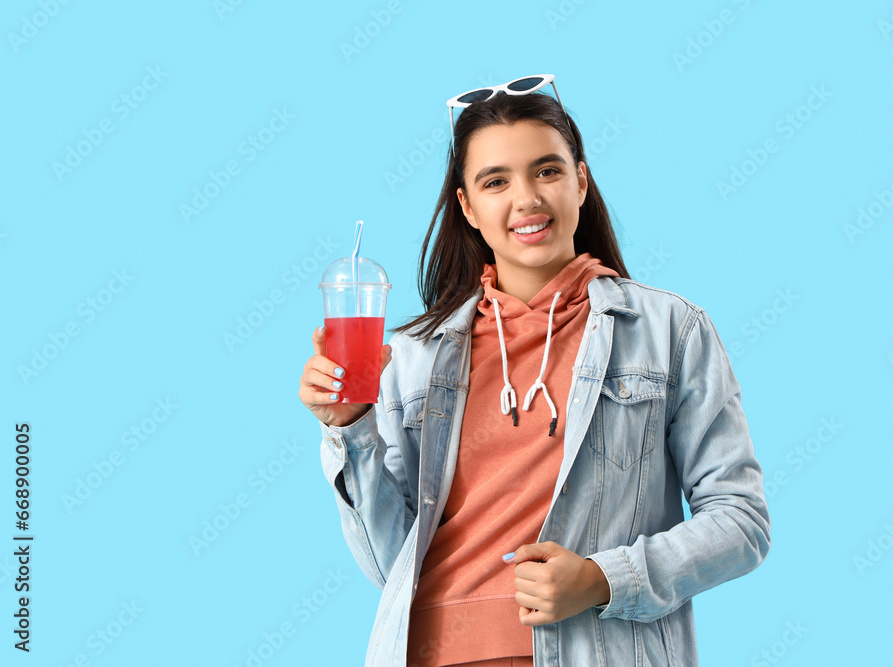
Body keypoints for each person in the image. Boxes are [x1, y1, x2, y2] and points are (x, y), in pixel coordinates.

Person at [299, 74, 771, 667]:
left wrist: (604, 578)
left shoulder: (669, 330)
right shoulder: (412, 355)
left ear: (581, 178)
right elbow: (390, 566)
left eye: (547, 170)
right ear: (468, 206)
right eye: (495, 181)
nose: (526, 198)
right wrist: (350, 429)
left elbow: (740, 521)